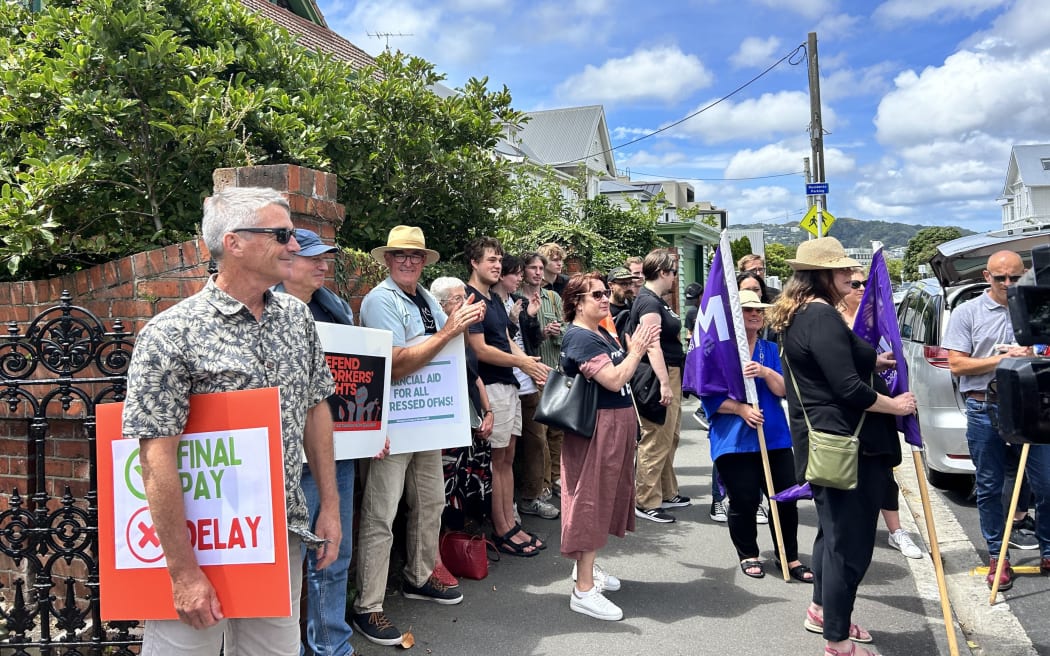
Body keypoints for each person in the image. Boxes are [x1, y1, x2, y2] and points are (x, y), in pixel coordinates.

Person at [121, 187, 343, 655]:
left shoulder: (297, 319)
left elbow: (316, 407)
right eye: (282, 234)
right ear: (234, 242)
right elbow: (154, 457)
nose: (296, 245)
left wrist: (330, 506)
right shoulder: (170, 333)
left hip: (280, 536)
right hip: (202, 545)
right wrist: (182, 572)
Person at [767, 236, 916, 656]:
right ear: (824, 276)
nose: (852, 278)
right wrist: (896, 404)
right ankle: (837, 640)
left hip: (832, 444)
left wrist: (879, 361)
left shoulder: (800, 315)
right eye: (845, 272)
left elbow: (846, 362)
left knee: (832, 538)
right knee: (847, 548)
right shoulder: (821, 317)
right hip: (846, 446)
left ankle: (822, 611)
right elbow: (848, 387)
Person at [353, 226, 485, 646]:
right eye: (400, 256)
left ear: (425, 261)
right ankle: (368, 606)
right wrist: (451, 331)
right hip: (393, 424)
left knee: (431, 501)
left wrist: (460, 326)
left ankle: (419, 576)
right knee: (381, 513)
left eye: (415, 256)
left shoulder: (425, 297)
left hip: (426, 421)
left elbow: (443, 354)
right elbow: (395, 364)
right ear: (387, 260)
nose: (408, 262)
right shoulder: (380, 300)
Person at [273, 228, 362, 656]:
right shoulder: (265, 313)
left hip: (335, 452)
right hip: (286, 456)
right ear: (286, 261)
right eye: (314, 258)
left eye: (326, 257)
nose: (323, 265)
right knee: (286, 561)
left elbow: (361, 380)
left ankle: (331, 647)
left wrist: (370, 431)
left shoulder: (337, 308)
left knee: (333, 553)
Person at [942, 249, 1050, 590]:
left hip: (1033, 407)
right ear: (986, 277)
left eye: (1014, 278)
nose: (1007, 284)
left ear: (1025, 275)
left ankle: (1048, 549)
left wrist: (1036, 353)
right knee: (989, 487)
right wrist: (999, 359)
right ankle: (997, 556)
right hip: (984, 406)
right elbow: (957, 365)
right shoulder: (967, 312)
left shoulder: (1039, 307)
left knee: (1046, 483)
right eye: (1000, 277)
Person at [559, 272, 660, 621]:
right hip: (596, 429)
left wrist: (633, 351)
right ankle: (583, 591)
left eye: (605, 293)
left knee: (601, 500)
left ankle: (584, 573)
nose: (605, 299)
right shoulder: (580, 337)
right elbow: (615, 378)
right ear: (577, 302)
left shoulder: (598, 330)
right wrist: (636, 352)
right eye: (597, 295)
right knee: (590, 501)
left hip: (612, 426)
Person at [701, 289, 812, 581]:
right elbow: (708, 397)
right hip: (734, 440)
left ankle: (789, 557)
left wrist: (764, 372)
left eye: (758, 311)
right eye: (747, 310)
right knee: (745, 499)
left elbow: (784, 389)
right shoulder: (717, 352)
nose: (754, 315)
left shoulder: (770, 350)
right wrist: (739, 409)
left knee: (786, 498)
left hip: (774, 436)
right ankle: (748, 553)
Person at [464, 237, 551, 556]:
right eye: (490, 259)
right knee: (498, 460)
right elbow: (479, 349)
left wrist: (529, 365)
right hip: (491, 387)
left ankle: (510, 526)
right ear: (474, 263)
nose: (497, 265)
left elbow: (504, 340)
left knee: (507, 460)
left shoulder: (495, 299)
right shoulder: (470, 296)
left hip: (509, 385)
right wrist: (520, 362)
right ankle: (501, 529)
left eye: (499, 259)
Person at [838, 268, 923, 561]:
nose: (861, 288)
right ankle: (849, 531)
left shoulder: (880, 322)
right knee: (846, 471)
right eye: (855, 283)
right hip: (847, 409)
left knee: (884, 470)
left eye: (865, 283)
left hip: (880, 402)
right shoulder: (834, 323)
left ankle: (896, 531)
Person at [494, 254, 558, 520]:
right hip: (506, 382)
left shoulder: (517, 300)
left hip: (527, 381)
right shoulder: (493, 302)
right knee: (505, 452)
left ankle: (531, 496)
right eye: (516, 273)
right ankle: (507, 507)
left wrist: (530, 317)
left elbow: (528, 339)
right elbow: (498, 340)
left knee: (535, 441)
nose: (520, 278)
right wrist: (513, 319)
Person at [631, 250, 689, 523]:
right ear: (663, 272)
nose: (676, 277)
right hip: (658, 375)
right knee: (656, 436)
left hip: (671, 371)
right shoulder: (648, 302)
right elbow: (651, 343)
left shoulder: (657, 301)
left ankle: (666, 491)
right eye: (674, 271)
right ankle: (645, 500)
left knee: (670, 435)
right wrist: (664, 383)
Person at [520, 251, 565, 498]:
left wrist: (557, 330)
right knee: (540, 434)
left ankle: (557, 477)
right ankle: (544, 483)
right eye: (532, 268)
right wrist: (541, 332)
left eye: (540, 268)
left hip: (556, 369)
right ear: (523, 271)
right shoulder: (517, 299)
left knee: (558, 431)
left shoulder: (553, 297)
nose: (538, 273)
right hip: (534, 373)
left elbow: (568, 328)